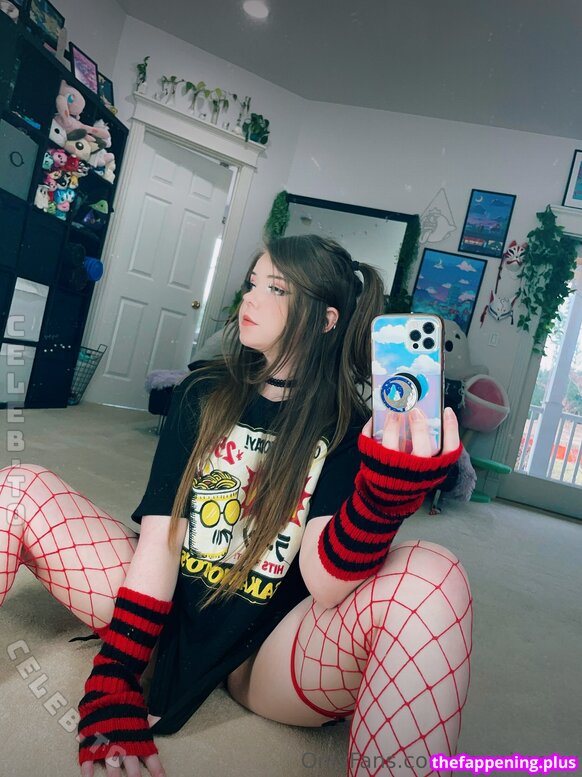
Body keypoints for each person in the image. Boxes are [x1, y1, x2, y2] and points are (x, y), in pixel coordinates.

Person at [0, 235, 472, 777]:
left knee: (435, 576)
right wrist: (115, 677)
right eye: (252, 283)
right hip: (167, 612)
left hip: (265, 653)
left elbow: (325, 585)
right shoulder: (201, 391)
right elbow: (161, 540)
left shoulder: (348, 428)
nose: (250, 297)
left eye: (276, 289)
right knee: (18, 486)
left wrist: (382, 500)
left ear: (326, 320)